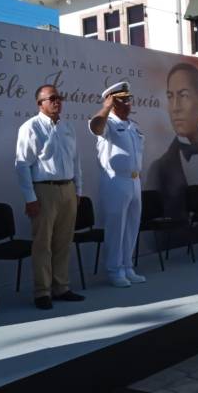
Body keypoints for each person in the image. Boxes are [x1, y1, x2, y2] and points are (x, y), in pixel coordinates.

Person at [15, 84, 85, 310]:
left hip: (67, 189)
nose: (57, 102)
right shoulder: (31, 127)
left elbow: (76, 161)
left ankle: (61, 287)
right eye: (51, 98)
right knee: (42, 243)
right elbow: (22, 164)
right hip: (44, 190)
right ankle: (42, 291)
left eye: (59, 97)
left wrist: (78, 189)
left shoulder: (67, 127)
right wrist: (30, 198)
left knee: (64, 241)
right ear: (40, 103)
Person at [89, 81, 146, 287]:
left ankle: (127, 266)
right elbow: (95, 128)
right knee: (116, 228)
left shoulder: (133, 126)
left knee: (131, 226)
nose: (129, 104)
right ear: (113, 103)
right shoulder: (107, 123)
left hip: (134, 180)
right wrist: (105, 107)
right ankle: (114, 270)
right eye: (123, 100)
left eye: (129, 99)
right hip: (115, 180)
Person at [147, 64, 198, 221]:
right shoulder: (159, 169)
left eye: (183, 96)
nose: (175, 108)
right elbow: (154, 235)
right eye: (170, 97)